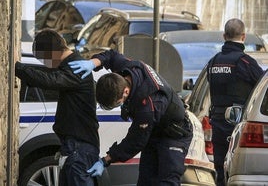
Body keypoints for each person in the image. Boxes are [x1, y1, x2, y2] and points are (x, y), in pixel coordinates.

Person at [68, 49, 193, 185]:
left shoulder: (148, 104)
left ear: (125, 91)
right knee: (146, 180)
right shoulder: (127, 70)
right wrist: (93, 63)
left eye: (118, 103)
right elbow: (111, 55)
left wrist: (105, 160)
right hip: (153, 133)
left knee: (167, 181)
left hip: (174, 135)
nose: (119, 106)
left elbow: (134, 142)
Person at [15, 29, 99, 186]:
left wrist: (18, 68)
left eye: (42, 59)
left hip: (79, 149)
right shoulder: (69, 65)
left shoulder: (76, 67)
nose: (43, 63)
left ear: (51, 53)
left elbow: (51, 81)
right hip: (73, 148)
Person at [207, 18, 264, 186]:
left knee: (220, 171)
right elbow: (261, 87)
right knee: (237, 171)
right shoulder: (246, 62)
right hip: (238, 125)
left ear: (224, 36)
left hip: (217, 123)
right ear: (244, 36)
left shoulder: (214, 62)